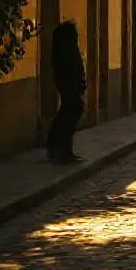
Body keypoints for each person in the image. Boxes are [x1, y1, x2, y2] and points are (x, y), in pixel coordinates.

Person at [47, 20, 86, 164]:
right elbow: (70, 69)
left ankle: (62, 149)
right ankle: (60, 149)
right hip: (69, 86)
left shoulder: (68, 49)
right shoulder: (65, 50)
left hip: (71, 86)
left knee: (69, 113)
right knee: (70, 114)